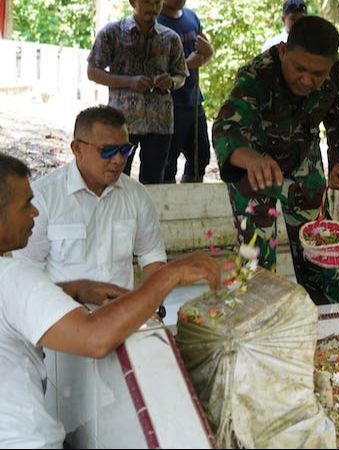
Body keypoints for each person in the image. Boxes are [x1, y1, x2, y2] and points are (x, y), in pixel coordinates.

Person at [0, 152, 220, 448]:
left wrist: (74, 289)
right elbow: (94, 338)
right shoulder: (13, 277)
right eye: (26, 204)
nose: (35, 213)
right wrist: (170, 275)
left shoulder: (11, 282)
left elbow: (13, 310)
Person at [213, 16, 339, 305]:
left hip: (303, 161)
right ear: (282, 52)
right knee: (257, 262)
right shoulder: (257, 75)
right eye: (299, 68)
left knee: (318, 249)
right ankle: (263, 331)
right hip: (253, 168)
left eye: (318, 74)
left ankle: (328, 321)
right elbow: (225, 129)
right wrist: (252, 159)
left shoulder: (338, 71)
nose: (307, 80)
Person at [13, 106, 167, 292]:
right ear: (77, 149)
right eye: (108, 151)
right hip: (61, 316)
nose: (119, 160)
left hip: (122, 315)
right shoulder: (43, 197)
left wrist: (147, 305)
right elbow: (27, 272)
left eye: (125, 150)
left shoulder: (136, 195)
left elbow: (152, 255)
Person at [88, 0, 188, 185]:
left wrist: (171, 82)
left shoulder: (171, 38)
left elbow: (181, 76)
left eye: (157, 1)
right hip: (122, 123)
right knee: (115, 179)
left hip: (160, 122)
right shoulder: (112, 33)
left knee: (153, 183)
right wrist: (129, 82)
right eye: (147, 1)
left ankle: (146, 214)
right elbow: (93, 72)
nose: (153, 6)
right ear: (133, 2)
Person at [158, 0, 214, 183]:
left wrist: (208, 52)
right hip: (168, 105)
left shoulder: (191, 17)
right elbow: (153, 70)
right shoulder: (155, 22)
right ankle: (168, 208)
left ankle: (192, 203)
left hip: (194, 101)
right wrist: (188, 64)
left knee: (200, 158)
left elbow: (204, 55)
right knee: (167, 164)